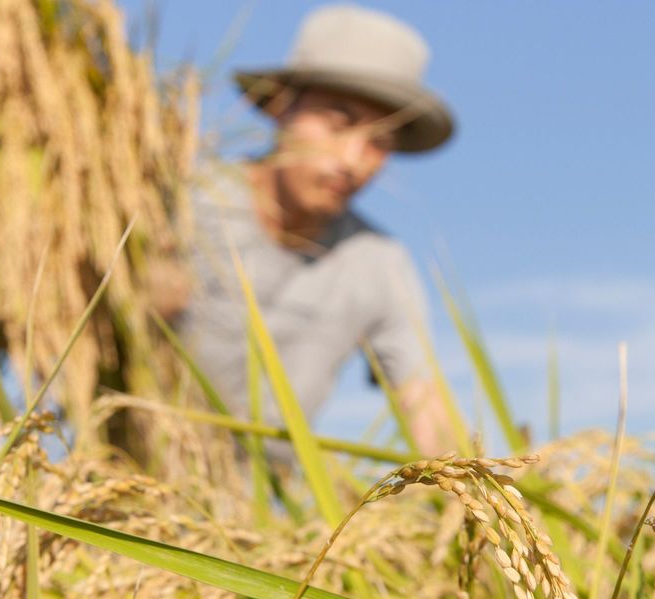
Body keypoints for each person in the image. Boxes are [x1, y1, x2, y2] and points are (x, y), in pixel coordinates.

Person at [168, 4, 456, 457]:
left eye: (379, 143)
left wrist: (475, 491)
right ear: (283, 107)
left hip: (256, 514)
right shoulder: (182, 204)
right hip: (124, 485)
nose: (352, 159)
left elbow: (421, 400)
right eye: (338, 124)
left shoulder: (376, 262)